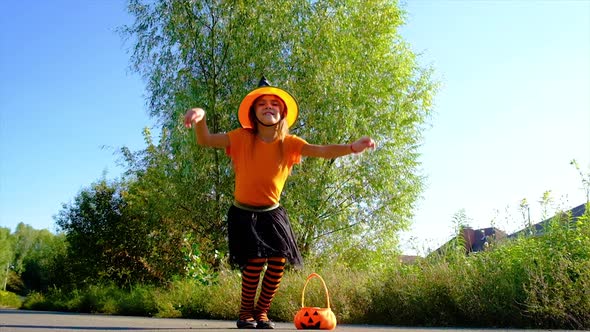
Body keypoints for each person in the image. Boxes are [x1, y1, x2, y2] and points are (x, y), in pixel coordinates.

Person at [183, 77, 375, 329]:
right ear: (253, 112)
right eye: (262, 103)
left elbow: (322, 150)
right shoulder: (240, 137)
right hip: (244, 212)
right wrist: (201, 117)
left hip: (272, 213)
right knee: (254, 262)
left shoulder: (289, 143)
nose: (268, 106)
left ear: (282, 112)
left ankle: (261, 312)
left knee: (277, 262)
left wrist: (352, 147)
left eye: (274, 103)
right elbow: (205, 140)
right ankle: (245, 313)